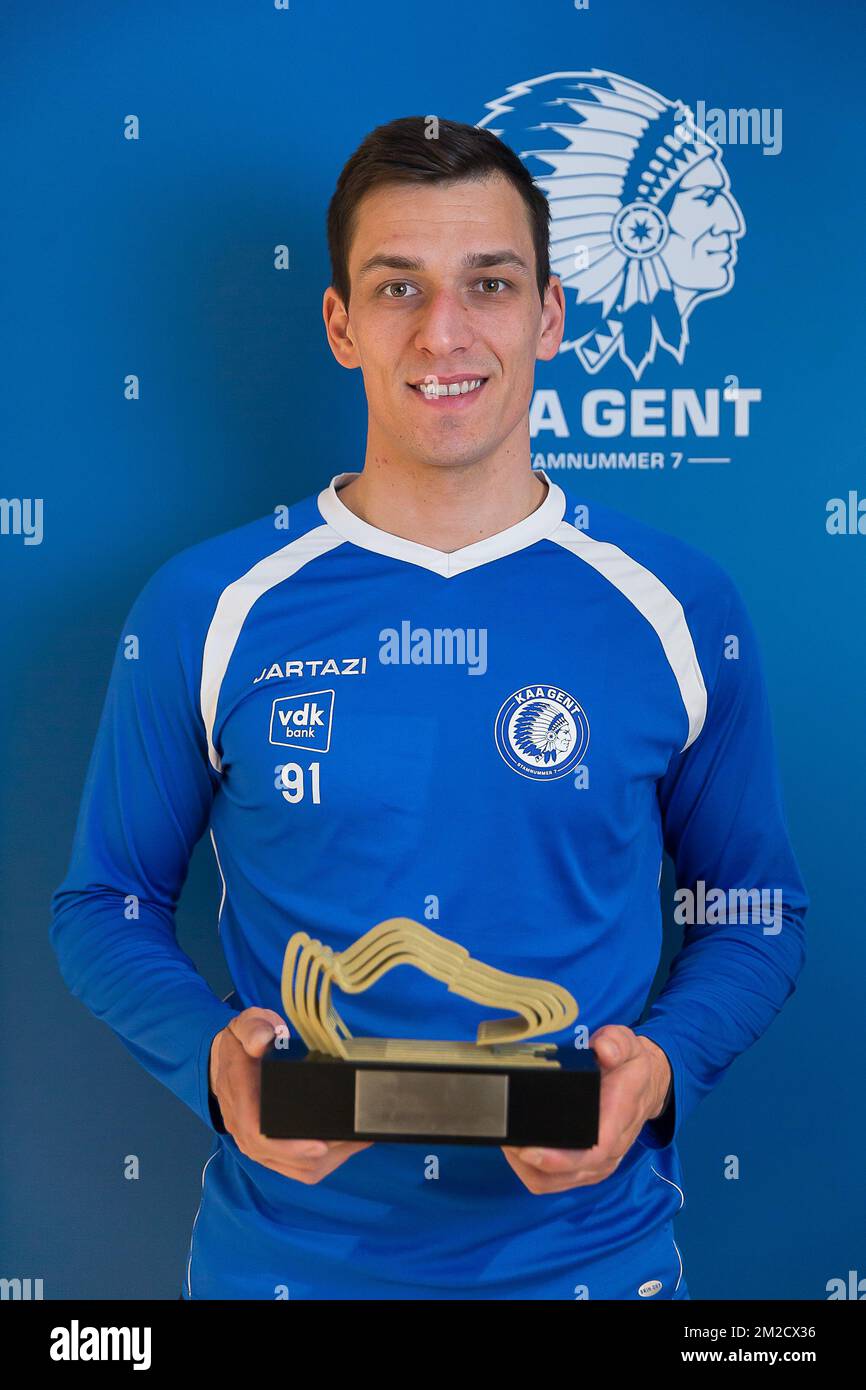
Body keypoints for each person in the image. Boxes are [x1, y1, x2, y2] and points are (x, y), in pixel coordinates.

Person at [50, 116, 807, 1301]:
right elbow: (104, 903)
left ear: (548, 314)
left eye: (488, 284)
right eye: (396, 286)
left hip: (589, 1267)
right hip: (283, 1267)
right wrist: (214, 1062)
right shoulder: (210, 605)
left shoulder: (672, 605)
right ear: (340, 322)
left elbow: (755, 913)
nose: (442, 333)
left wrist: (656, 1069)